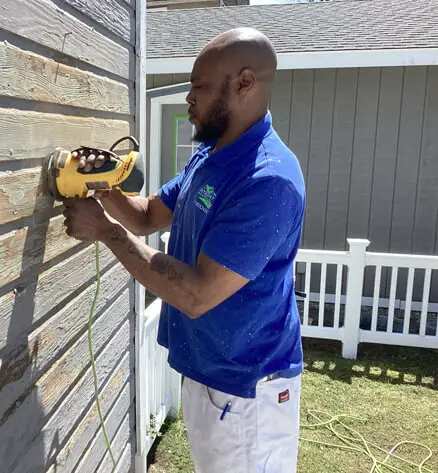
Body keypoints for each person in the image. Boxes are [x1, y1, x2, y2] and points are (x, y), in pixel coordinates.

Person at [62, 27, 306, 473]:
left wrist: (105, 230)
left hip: (246, 389)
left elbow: (197, 294)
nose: (189, 98)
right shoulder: (212, 156)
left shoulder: (267, 180)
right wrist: (105, 184)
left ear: (244, 83)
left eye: (199, 87)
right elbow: (149, 213)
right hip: (211, 374)